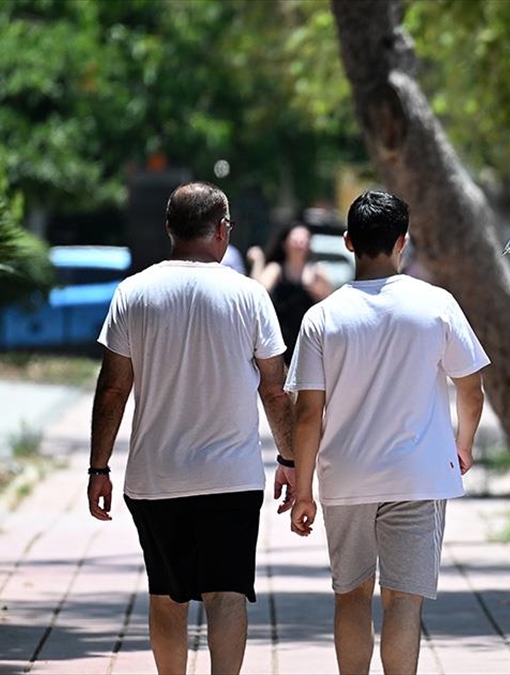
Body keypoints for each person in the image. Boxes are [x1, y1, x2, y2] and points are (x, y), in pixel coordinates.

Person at [87, 182, 296, 675]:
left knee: (166, 596)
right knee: (226, 596)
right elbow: (275, 389)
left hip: (155, 478)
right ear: (223, 231)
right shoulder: (249, 295)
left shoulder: (133, 293)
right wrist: (290, 461)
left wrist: (98, 468)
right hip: (232, 478)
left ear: (169, 230)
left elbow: (113, 388)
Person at [286, 190, 489, 674]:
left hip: (347, 477)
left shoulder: (322, 317)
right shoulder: (436, 305)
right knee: (404, 601)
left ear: (349, 241)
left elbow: (308, 412)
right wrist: (463, 444)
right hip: (418, 476)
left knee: (351, 594)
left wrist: (303, 488)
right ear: (403, 241)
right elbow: (471, 387)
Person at [247, 223, 333, 364]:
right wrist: (258, 261)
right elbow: (257, 292)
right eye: (295, 240)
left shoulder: (317, 272)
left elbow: (332, 307)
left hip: (308, 344)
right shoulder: (276, 269)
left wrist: (319, 294)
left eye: (303, 240)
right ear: (284, 244)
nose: (299, 244)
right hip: (279, 344)